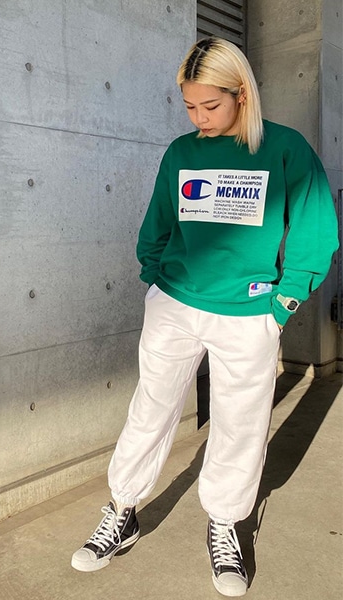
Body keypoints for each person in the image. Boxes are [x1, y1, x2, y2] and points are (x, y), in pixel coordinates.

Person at [70, 37, 339, 597]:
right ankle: (122, 510)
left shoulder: (285, 150)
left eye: (210, 105)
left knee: (240, 423)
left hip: (248, 314)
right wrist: (155, 279)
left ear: (242, 94)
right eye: (190, 106)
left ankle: (227, 522)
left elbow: (316, 232)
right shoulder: (181, 152)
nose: (199, 118)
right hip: (174, 304)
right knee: (151, 408)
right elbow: (158, 222)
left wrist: (283, 304)